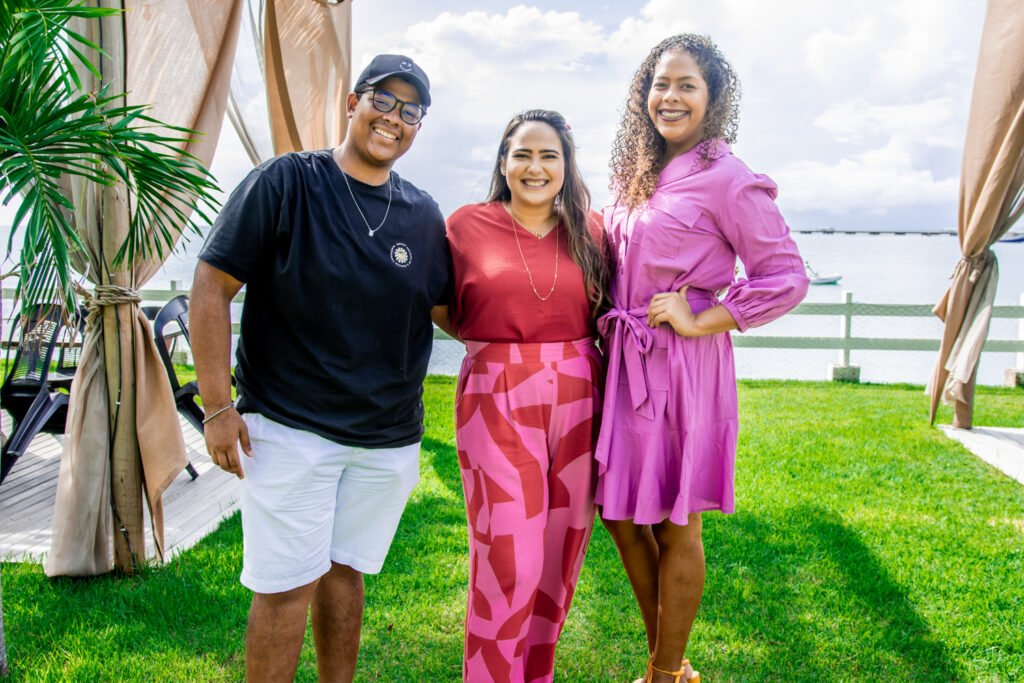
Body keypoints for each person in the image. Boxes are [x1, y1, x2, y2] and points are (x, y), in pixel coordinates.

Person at [190, 54, 451, 683]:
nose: (393, 119)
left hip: (386, 438)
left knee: (345, 577)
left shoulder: (423, 213)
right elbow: (210, 285)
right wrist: (217, 407)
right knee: (283, 590)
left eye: (409, 111)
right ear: (352, 103)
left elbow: (451, 312)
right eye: (382, 101)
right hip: (290, 429)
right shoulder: (285, 183)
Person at [595, 35, 810, 683]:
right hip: (624, 363)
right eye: (660, 83)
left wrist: (699, 316)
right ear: (644, 93)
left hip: (683, 368)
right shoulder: (637, 171)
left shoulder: (729, 178)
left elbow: (784, 277)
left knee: (674, 518)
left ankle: (662, 673)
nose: (670, 96)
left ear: (713, 99)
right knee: (619, 513)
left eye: (687, 85)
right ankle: (673, 659)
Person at [438, 109, 609, 682]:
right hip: (497, 395)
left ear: (566, 165)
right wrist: (493, 350)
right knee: (508, 558)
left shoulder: (592, 231)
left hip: (581, 394)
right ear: (503, 162)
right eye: (523, 154)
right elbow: (440, 307)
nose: (536, 167)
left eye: (549, 155)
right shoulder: (465, 226)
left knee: (560, 558)